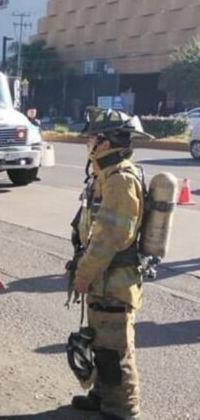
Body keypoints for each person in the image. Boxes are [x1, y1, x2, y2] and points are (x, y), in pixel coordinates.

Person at [69, 107, 153, 420]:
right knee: (101, 343)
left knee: (116, 351)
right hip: (103, 280)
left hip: (114, 282)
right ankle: (102, 396)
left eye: (91, 138)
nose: (87, 143)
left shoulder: (119, 181)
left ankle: (123, 409)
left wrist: (84, 274)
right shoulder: (105, 174)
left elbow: (109, 238)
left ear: (106, 143)